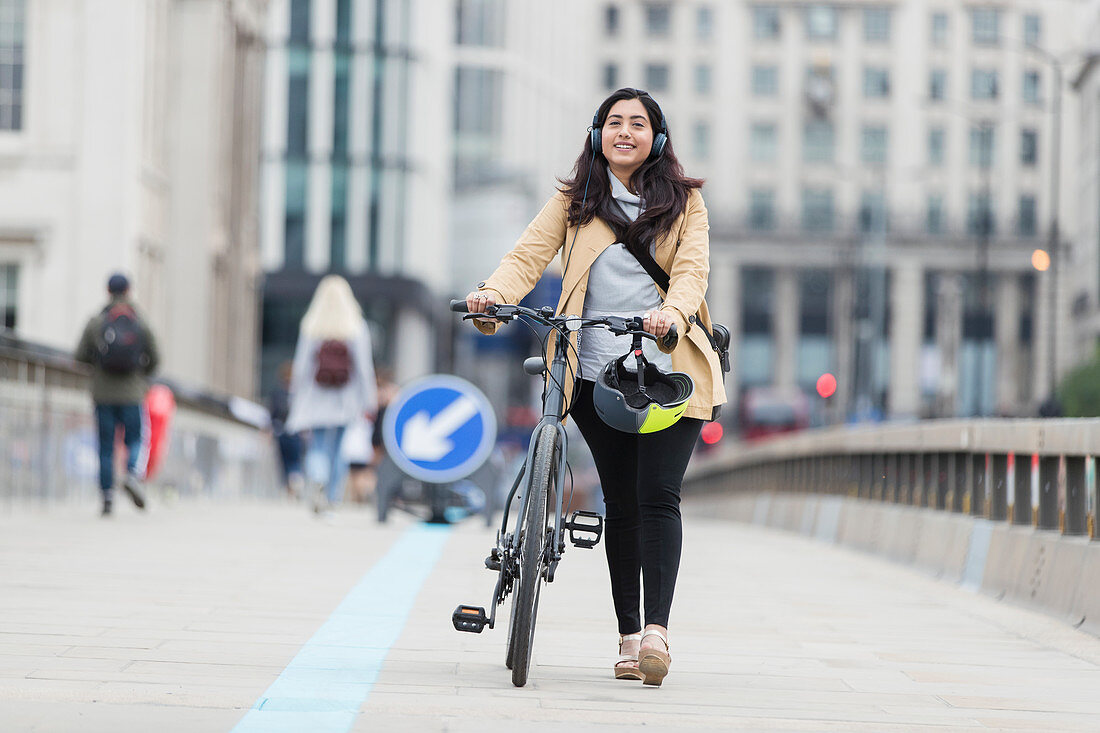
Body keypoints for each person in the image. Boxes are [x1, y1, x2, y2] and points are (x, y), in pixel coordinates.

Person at [463, 88, 725, 686]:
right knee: (621, 500)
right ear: (597, 133)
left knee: (658, 494)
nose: (625, 132)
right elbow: (526, 258)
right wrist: (493, 296)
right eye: (614, 122)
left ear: (657, 138)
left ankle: (657, 631)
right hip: (588, 372)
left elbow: (691, 273)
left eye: (638, 123)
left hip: (668, 372)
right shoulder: (575, 200)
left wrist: (673, 315)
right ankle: (628, 636)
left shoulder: (685, 203)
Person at [285, 275, 377, 517]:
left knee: (318, 445)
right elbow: (364, 369)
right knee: (338, 449)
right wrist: (369, 400)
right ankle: (332, 499)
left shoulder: (312, 326)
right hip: (345, 400)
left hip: (316, 398)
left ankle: (317, 478)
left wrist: (295, 396)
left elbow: (302, 366)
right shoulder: (356, 326)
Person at [75, 273, 160, 516]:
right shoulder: (140, 322)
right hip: (133, 393)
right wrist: (141, 373)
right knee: (135, 440)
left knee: (105, 446)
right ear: (129, 290)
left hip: (102, 393)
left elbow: (79, 355)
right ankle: (132, 474)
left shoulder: (96, 322)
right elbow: (155, 358)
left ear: (107, 291)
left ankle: (107, 497)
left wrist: (99, 363)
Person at [267, 361, 304, 497]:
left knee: (285, 462)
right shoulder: (299, 395)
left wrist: (268, 432)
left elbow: (271, 415)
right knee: (295, 460)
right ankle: (295, 482)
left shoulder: (277, 394)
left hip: (281, 431)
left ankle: (290, 489)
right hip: (295, 432)